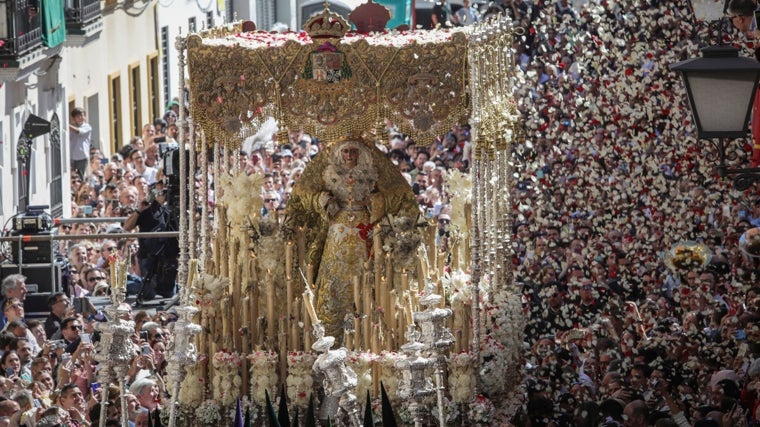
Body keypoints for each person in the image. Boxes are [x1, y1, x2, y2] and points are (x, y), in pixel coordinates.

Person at [283, 135, 420, 340]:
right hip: (336, 231)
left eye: (353, 151)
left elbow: (398, 195)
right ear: (339, 153)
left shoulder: (372, 171)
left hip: (363, 231)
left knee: (366, 276)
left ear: (360, 153)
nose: (349, 156)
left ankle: (367, 332)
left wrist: (374, 202)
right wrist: (323, 200)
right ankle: (330, 331)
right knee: (333, 279)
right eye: (345, 151)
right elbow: (304, 193)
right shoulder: (327, 171)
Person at [123, 182, 178, 300]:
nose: (162, 195)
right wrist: (139, 210)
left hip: (169, 256)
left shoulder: (173, 209)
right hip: (149, 255)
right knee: (149, 293)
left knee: (168, 294)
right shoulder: (147, 208)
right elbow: (126, 227)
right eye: (159, 192)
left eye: (164, 192)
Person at [69, 108, 92, 180]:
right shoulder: (71, 126)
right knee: (72, 176)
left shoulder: (87, 127)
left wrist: (67, 125)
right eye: (78, 116)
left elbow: (78, 132)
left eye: (82, 115)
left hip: (82, 156)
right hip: (72, 156)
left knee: (80, 176)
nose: (80, 118)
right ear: (74, 118)